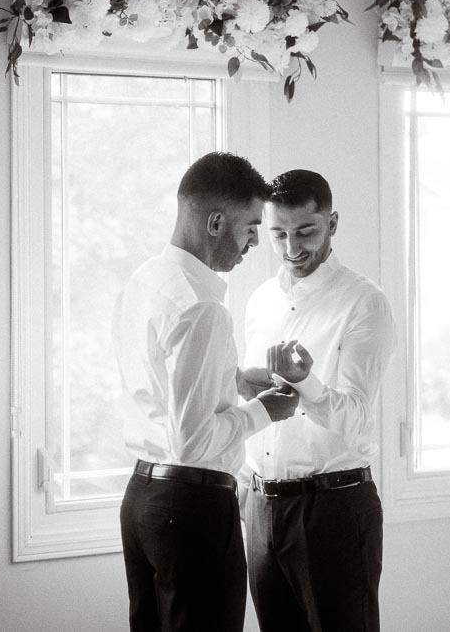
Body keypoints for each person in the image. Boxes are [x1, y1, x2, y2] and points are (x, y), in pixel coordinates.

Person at [113, 151, 300, 632]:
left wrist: (233, 378)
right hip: (190, 509)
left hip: (143, 501)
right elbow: (193, 442)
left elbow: (161, 382)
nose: (256, 242)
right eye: (252, 226)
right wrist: (265, 411)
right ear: (216, 222)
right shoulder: (202, 308)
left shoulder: (147, 280)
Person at [239, 169, 397, 631]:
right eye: (278, 234)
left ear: (333, 223)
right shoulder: (261, 300)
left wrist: (306, 381)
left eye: (305, 231)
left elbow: (359, 419)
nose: (292, 248)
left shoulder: (364, 302)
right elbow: (263, 402)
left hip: (334, 510)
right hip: (261, 505)